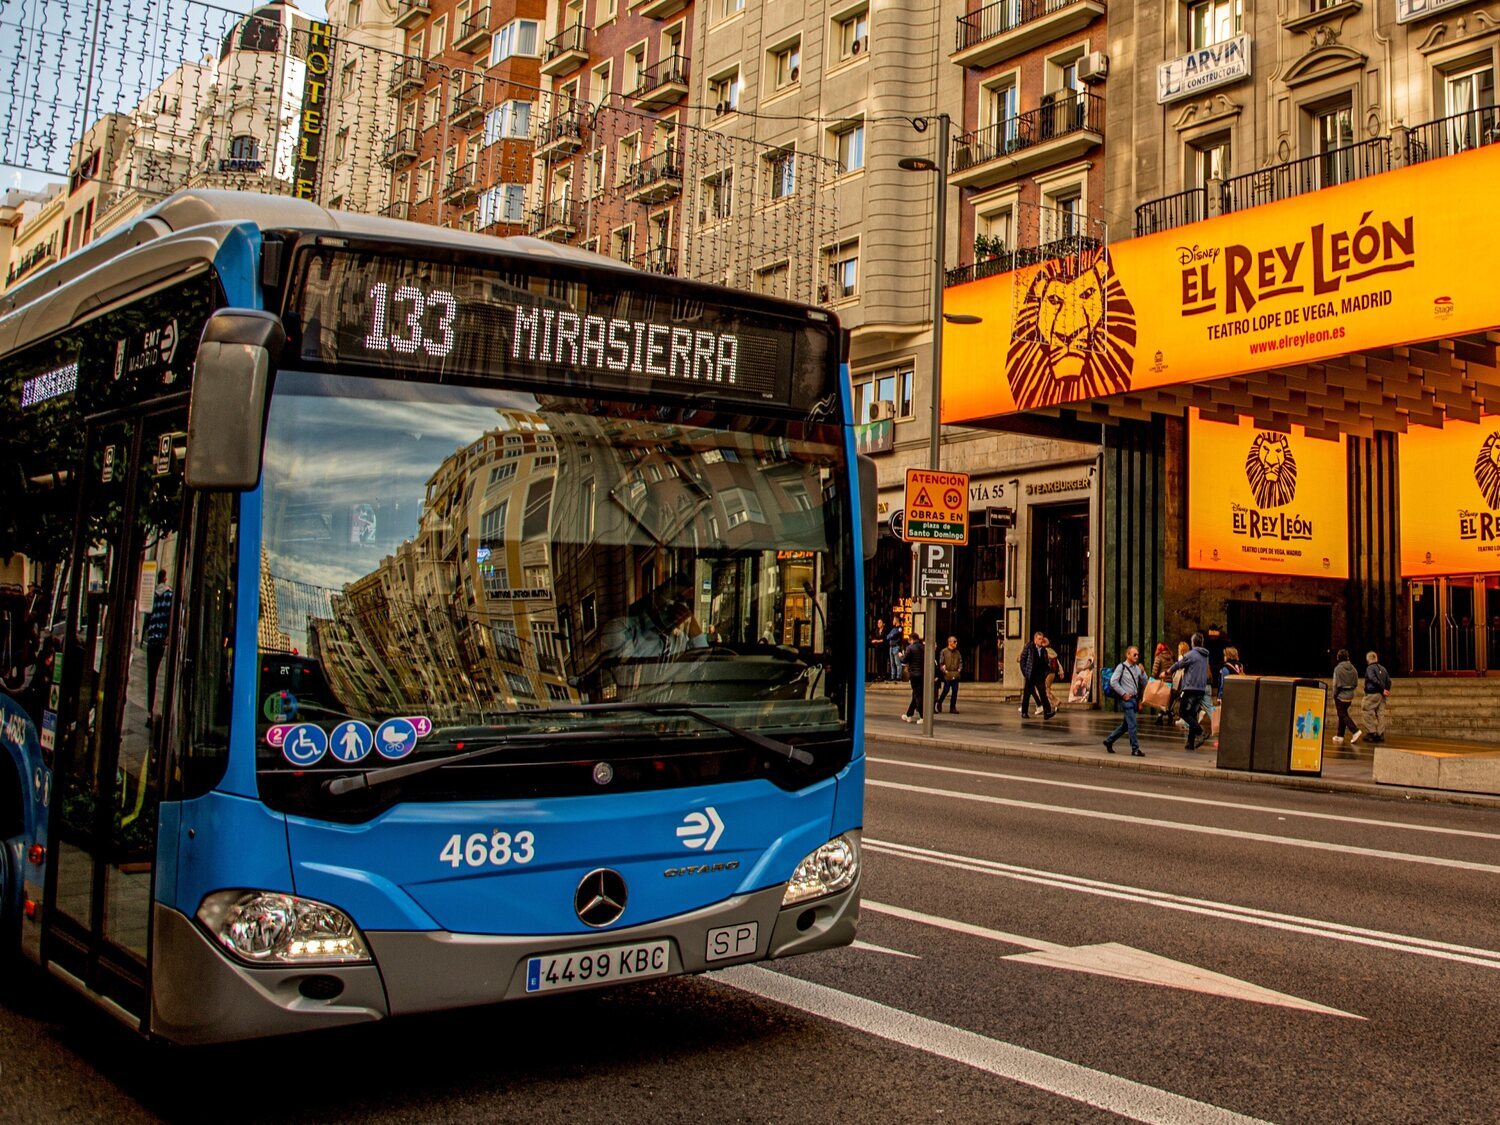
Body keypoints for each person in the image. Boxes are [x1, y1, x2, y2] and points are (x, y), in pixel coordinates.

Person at [1169, 632, 1211, 751]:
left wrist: (1167, 672)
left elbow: (1179, 664)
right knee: (1192, 714)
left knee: (1183, 712)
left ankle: (1200, 731)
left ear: (1193, 643)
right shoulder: (1205, 655)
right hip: (1201, 689)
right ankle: (1190, 743)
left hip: (1191, 687)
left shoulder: (1191, 654)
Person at [1102, 645, 1148, 757]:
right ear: (1128, 655)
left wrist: (1143, 672)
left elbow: (1145, 682)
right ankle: (1135, 749)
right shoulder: (1121, 667)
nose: (1137, 656)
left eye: (1137, 654)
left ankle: (1109, 740)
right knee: (1132, 724)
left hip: (1134, 699)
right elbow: (1113, 681)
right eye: (1134, 654)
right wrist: (1123, 693)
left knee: (1126, 726)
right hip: (1126, 700)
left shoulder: (1137, 668)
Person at [144, 572, 174, 725]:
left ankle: (150, 713)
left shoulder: (152, 595)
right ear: (165, 578)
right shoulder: (169, 595)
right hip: (162, 640)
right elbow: (171, 616)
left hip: (152, 640)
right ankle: (163, 712)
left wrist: (146, 634)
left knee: (152, 677)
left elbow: (147, 618)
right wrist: (167, 635)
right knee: (164, 676)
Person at [1019, 631, 1055, 719]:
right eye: (1039, 639)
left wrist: (1046, 672)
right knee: (1027, 694)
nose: (1041, 641)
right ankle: (1024, 712)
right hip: (1030, 674)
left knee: (1043, 694)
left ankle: (1047, 712)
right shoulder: (1029, 647)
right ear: (1035, 639)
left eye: (1042, 639)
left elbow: (1046, 662)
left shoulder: (1043, 650)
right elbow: (1022, 660)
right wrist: (1025, 673)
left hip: (1039, 675)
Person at [1331, 649, 1363, 746]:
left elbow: (1335, 684)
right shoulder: (1353, 668)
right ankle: (1340, 735)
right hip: (1350, 695)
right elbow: (1356, 682)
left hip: (1341, 695)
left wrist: (1334, 695)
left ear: (1338, 658)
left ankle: (1355, 731)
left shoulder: (1337, 669)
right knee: (1343, 714)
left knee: (1342, 714)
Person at [1361, 650, 1392, 743]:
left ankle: (1372, 733)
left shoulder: (1370, 668)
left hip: (1372, 694)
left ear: (1368, 659)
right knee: (1380, 714)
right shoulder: (1383, 668)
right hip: (1382, 695)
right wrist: (1386, 690)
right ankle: (1380, 734)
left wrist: (1382, 689)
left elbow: (1372, 678)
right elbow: (1389, 681)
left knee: (1366, 711)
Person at [900, 633, 926, 722]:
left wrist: (900, 656)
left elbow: (904, 660)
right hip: (922, 674)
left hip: (914, 674)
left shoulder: (910, 648)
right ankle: (909, 714)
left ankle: (922, 716)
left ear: (911, 639)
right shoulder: (923, 647)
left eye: (909, 640)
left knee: (917, 695)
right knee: (916, 694)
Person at [936, 635, 963, 713]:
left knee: (955, 691)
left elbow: (960, 662)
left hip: (955, 673)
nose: (956, 643)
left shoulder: (957, 652)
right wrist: (944, 670)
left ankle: (952, 707)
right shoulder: (944, 651)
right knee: (946, 689)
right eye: (954, 642)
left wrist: (959, 670)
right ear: (950, 642)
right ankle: (940, 701)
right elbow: (941, 663)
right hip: (947, 674)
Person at [1150, 642, 1173, 723]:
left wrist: (1151, 679)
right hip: (1170, 681)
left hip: (1162, 681)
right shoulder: (1170, 657)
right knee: (1167, 700)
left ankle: (1160, 717)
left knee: (1161, 700)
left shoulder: (1159, 657)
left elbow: (1155, 670)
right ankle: (1170, 714)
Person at [1044, 645, 1062, 710]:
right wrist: (1061, 671)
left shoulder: (1045, 651)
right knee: (1046, 689)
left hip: (1047, 672)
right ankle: (1054, 704)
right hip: (1052, 673)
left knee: (1046, 690)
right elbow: (1058, 662)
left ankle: (1055, 701)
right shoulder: (1052, 651)